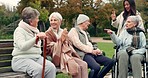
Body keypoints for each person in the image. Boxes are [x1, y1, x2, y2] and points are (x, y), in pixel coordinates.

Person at [11, 7, 56, 78]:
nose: (38, 20)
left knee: (51, 68)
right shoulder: (19, 30)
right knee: (38, 70)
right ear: (31, 21)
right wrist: (36, 38)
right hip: (21, 60)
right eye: (37, 19)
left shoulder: (35, 30)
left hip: (36, 58)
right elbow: (22, 47)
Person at [68, 14, 115, 78]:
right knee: (96, 67)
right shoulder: (74, 31)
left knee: (111, 62)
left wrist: (96, 49)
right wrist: (91, 51)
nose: (89, 23)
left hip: (92, 53)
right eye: (88, 21)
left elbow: (92, 43)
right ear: (82, 22)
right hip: (83, 54)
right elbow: (78, 44)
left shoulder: (86, 32)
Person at [45, 12, 88, 78]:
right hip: (57, 58)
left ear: (60, 21)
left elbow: (69, 45)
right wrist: (61, 40)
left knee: (84, 64)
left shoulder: (63, 32)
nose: (53, 22)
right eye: (51, 20)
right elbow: (49, 48)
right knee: (77, 67)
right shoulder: (47, 33)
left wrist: (65, 42)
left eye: (55, 20)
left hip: (67, 55)